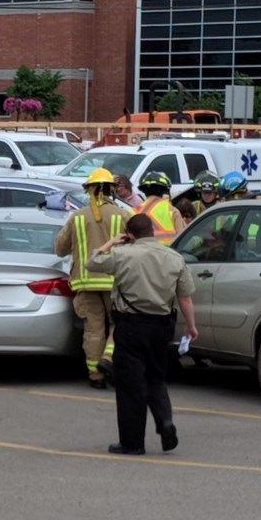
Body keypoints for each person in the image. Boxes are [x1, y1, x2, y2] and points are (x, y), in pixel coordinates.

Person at [86, 213, 198, 455]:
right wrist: (191, 327)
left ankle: (132, 442)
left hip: (130, 326)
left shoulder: (121, 254)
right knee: (156, 379)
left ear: (130, 235)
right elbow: (185, 298)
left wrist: (111, 243)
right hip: (161, 327)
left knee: (130, 385)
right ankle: (165, 422)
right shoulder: (174, 257)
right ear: (153, 232)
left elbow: (92, 263)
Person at [53, 168, 133, 389]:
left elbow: (59, 248)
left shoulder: (77, 217)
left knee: (93, 329)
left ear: (88, 190)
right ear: (111, 190)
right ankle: (109, 359)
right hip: (115, 283)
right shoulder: (124, 215)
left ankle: (95, 375)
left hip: (85, 283)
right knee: (121, 324)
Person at [133, 171, 185, 244]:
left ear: (144, 191)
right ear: (165, 190)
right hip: (167, 253)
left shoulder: (133, 211)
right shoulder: (172, 210)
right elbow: (182, 239)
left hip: (140, 254)